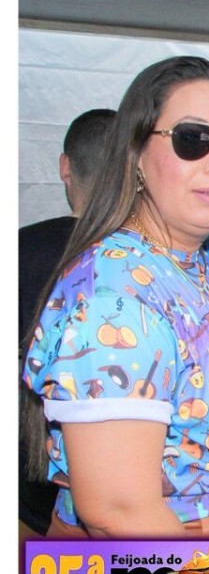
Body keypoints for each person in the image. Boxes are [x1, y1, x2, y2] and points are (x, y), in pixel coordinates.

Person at [22, 56, 209, 539]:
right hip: (176, 561)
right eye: (193, 139)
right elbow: (118, 514)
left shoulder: (188, 263)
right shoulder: (115, 294)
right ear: (136, 154)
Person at [19, 108, 116, 539]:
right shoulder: (153, 262)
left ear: (65, 166)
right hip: (119, 488)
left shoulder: (19, 248)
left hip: (28, 485)